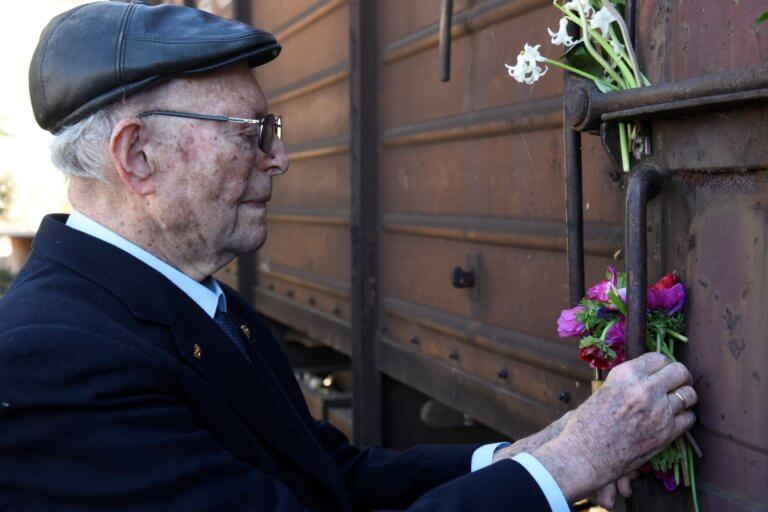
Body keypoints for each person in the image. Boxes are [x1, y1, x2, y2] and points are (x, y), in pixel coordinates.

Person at [0, 1, 697, 510]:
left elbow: (333, 478)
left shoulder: (193, 304)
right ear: (137, 156)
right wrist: (571, 464)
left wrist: (535, 454)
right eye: (252, 131)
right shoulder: (53, 360)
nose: (280, 158)